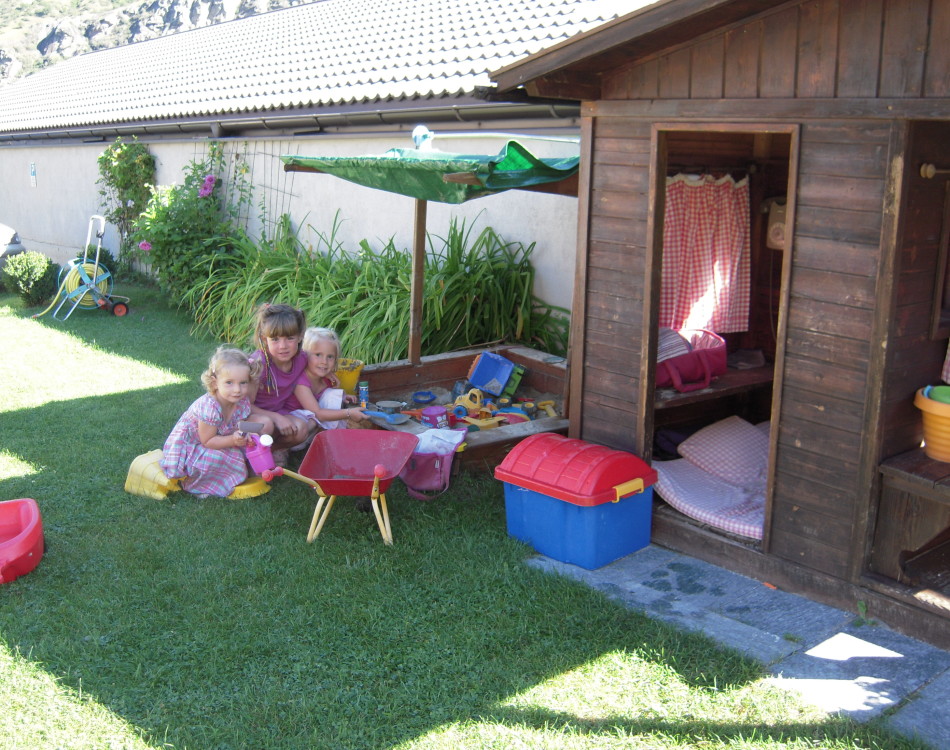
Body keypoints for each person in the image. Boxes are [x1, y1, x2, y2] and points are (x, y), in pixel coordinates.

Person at [160, 346, 262, 498]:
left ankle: (224, 479)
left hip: (217, 440)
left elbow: (234, 427)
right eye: (229, 383)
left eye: (243, 383)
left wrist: (243, 434)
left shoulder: (241, 403)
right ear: (215, 383)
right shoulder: (209, 406)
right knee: (221, 458)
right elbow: (207, 441)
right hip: (192, 447)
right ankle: (194, 484)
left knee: (239, 454)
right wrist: (233, 439)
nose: (237, 390)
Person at [247, 303, 321, 461]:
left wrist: (330, 375)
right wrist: (276, 417)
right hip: (244, 423)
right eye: (274, 339)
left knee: (301, 428)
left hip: (276, 415)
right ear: (264, 339)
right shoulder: (257, 365)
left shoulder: (301, 359)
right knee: (266, 424)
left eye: (290, 338)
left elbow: (318, 366)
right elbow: (241, 406)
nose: (283, 346)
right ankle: (248, 455)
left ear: (301, 336)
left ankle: (273, 449)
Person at [286, 326, 369, 429]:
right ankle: (318, 436)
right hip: (295, 421)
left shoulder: (326, 378)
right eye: (318, 355)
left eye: (330, 357)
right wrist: (349, 413)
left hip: (313, 417)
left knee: (333, 394)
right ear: (304, 355)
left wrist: (343, 396)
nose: (324, 362)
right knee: (313, 420)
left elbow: (324, 399)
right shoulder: (300, 381)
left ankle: (328, 431)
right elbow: (318, 413)